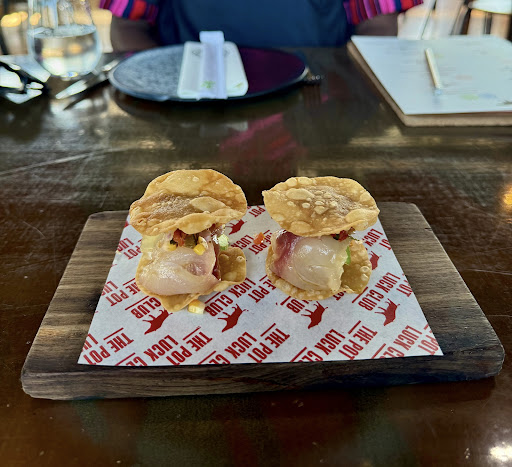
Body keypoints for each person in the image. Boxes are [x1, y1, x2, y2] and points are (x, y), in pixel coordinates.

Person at [101, 0, 422, 52]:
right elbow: (128, 27)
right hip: (190, 106)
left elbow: (377, 26)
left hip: (318, 103)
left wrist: (347, 93)